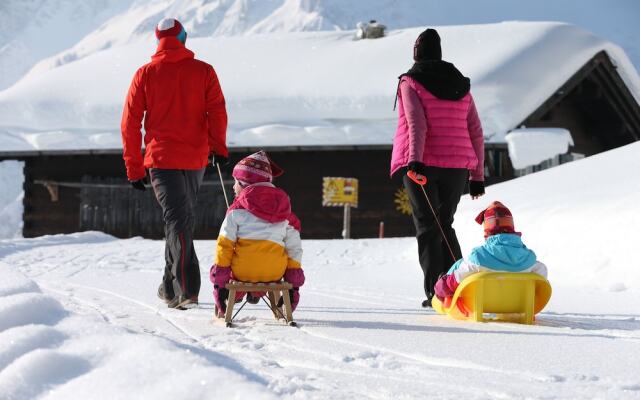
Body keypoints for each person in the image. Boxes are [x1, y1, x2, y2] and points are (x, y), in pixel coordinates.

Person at [120, 18, 228, 309]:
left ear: (157, 40)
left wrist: (134, 166)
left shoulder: (145, 74)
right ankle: (181, 287)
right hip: (195, 158)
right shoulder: (204, 71)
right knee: (179, 219)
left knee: (178, 219)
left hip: (161, 158)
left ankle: (177, 288)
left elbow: (130, 123)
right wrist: (217, 147)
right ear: (184, 37)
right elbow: (216, 111)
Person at [390, 28, 485, 308]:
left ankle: (436, 292)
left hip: (422, 164)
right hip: (457, 167)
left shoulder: (410, 83)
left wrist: (415, 161)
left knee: (428, 226)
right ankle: (460, 284)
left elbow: (417, 124)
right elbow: (476, 130)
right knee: (445, 223)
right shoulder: (461, 85)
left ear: (416, 54)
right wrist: (477, 176)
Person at [209, 151, 304, 318]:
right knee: (266, 260)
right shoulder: (285, 212)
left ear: (245, 185)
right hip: (274, 272)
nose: (233, 186)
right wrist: (293, 281)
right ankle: (256, 293)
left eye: (236, 182)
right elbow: (294, 247)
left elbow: (224, 245)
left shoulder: (236, 212)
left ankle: (237, 296)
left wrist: (220, 282)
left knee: (235, 264)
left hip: (242, 271)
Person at [434, 201, 548, 302]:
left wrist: (440, 288)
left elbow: (456, 278)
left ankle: (445, 298)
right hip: (516, 303)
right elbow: (541, 276)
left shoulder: (479, 258)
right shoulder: (529, 258)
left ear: (487, 231)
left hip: (482, 303)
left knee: (460, 265)